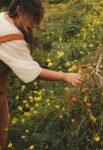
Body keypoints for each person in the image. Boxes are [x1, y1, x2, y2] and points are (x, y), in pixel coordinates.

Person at [0, 0, 85, 149]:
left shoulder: (3, 16)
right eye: (32, 18)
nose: (33, 24)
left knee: (3, 128)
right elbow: (33, 71)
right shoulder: (10, 34)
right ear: (19, 11)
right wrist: (65, 76)